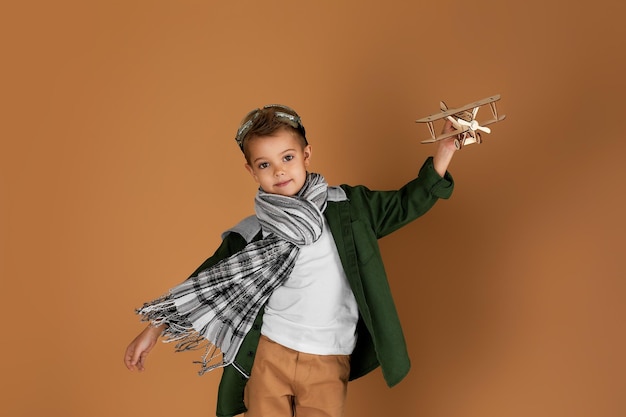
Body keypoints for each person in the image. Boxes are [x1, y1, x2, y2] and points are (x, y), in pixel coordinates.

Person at [124, 104, 457, 417]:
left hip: (328, 358)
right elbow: (206, 280)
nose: (279, 171)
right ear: (251, 171)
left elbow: (404, 205)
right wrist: (154, 329)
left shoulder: (348, 207)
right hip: (271, 353)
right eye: (265, 164)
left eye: (287, 157)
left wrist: (444, 153)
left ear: (306, 155)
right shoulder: (254, 231)